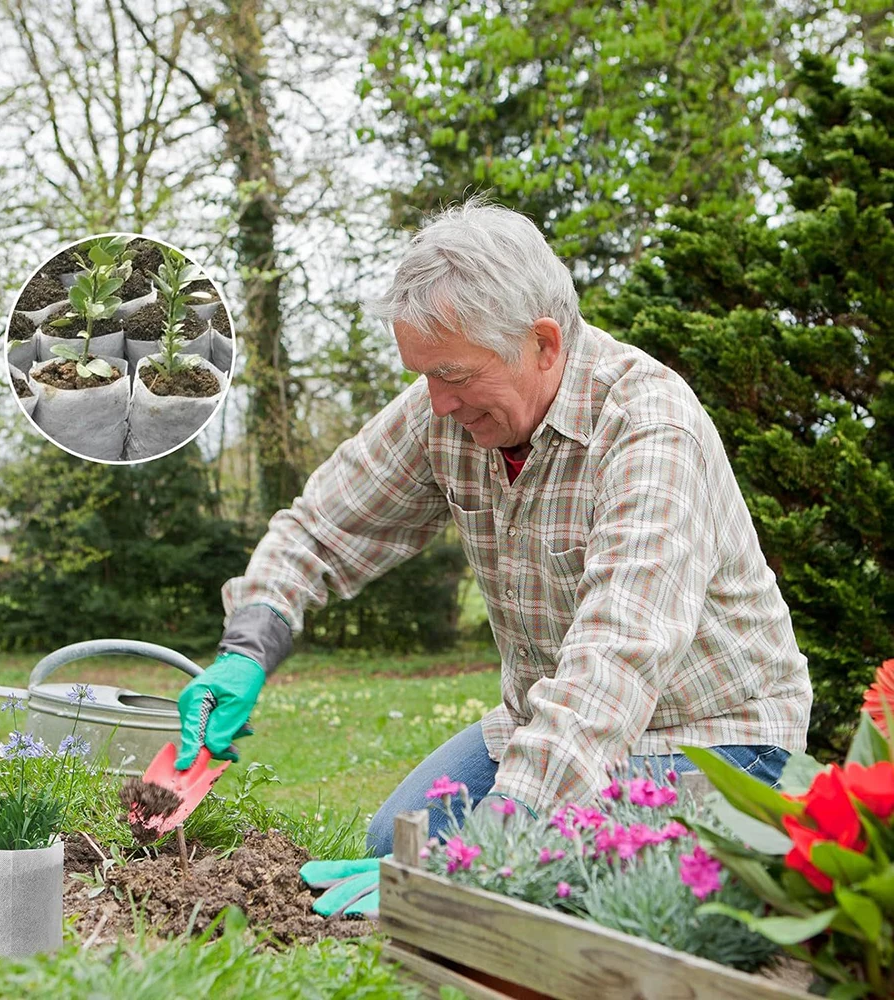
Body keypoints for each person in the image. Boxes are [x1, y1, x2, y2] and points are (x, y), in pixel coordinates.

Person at [175, 198, 812, 878]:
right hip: (547, 724)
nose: (439, 403)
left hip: (715, 738)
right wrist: (250, 642)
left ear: (544, 344)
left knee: (541, 881)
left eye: (454, 376)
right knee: (396, 847)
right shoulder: (443, 411)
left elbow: (615, 663)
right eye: (425, 376)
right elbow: (322, 526)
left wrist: (485, 855)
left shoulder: (648, 429)